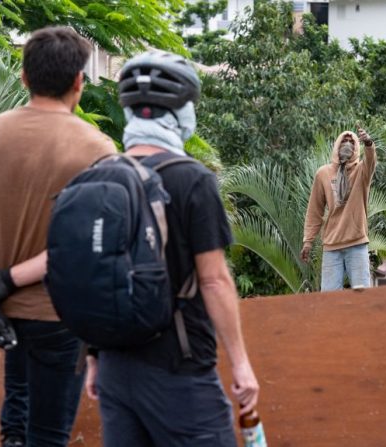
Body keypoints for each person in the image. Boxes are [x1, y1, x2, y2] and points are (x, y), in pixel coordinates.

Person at [0, 27, 117, 447]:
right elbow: (89, 244)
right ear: (79, 81)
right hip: (62, 315)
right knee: (48, 435)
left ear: (23, 77)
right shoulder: (99, 151)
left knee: (15, 425)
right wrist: (12, 277)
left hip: (2, 313)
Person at [79, 51, 259, 446]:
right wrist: (241, 365)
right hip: (178, 368)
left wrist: (94, 356)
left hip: (114, 367)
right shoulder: (193, 180)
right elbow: (213, 281)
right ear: (179, 112)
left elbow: (95, 275)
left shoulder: (100, 176)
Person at [301, 129, 377, 291]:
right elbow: (315, 209)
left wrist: (368, 144)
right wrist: (308, 241)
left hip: (357, 244)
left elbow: (370, 162)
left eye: (351, 142)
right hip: (331, 246)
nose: (347, 144)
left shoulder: (361, 171)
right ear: (336, 145)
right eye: (343, 141)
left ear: (357, 148)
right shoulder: (323, 174)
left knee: (363, 299)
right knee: (330, 301)